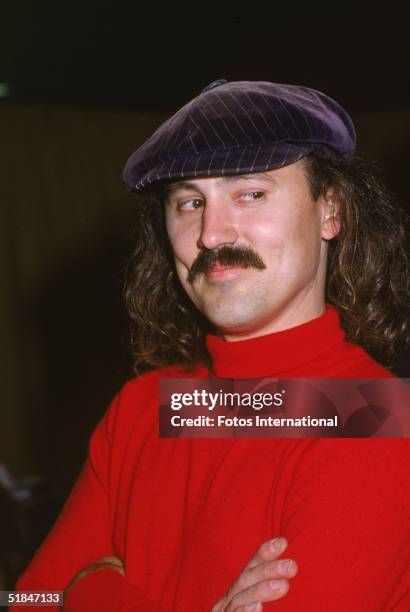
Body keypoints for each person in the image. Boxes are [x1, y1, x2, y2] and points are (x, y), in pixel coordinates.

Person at [14, 80, 410, 611]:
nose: (212, 234)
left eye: (250, 193)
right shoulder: (145, 407)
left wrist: (87, 585)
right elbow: (29, 597)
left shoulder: (374, 417)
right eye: (189, 202)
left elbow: (56, 595)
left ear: (330, 210)